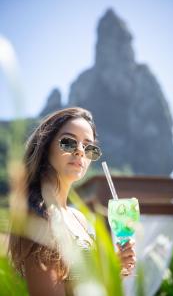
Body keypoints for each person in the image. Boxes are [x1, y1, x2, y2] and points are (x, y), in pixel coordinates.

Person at [9, 107, 136, 296]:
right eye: (68, 142)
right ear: (46, 147)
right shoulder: (38, 215)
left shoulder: (79, 218)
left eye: (88, 147)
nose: (79, 152)